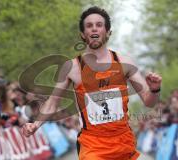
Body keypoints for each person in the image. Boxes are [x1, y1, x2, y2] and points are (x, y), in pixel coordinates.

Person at [22, 6, 162, 160]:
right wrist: (35, 124)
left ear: (108, 32)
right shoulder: (71, 67)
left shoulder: (124, 63)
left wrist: (155, 90)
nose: (94, 29)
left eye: (99, 25)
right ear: (83, 34)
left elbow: (149, 102)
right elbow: (53, 102)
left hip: (123, 142)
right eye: (89, 26)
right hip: (92, 145)